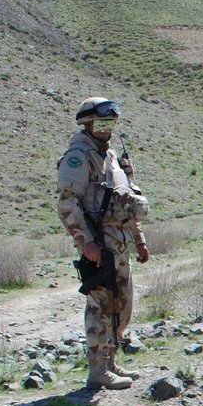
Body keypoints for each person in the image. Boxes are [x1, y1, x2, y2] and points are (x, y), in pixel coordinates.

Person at [57, 97, 150, 390]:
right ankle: (98, 371)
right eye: (102, 123)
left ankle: (110, 362)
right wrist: (86, 242)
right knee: (100, 306)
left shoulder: (111, 157)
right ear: (86, 124)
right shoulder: (79, 156)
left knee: (121, 305)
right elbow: (67, 203)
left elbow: (127, 202)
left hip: (120, 242)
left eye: (111, 123)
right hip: (99, 243)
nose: (107, 128)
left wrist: (140, 241)